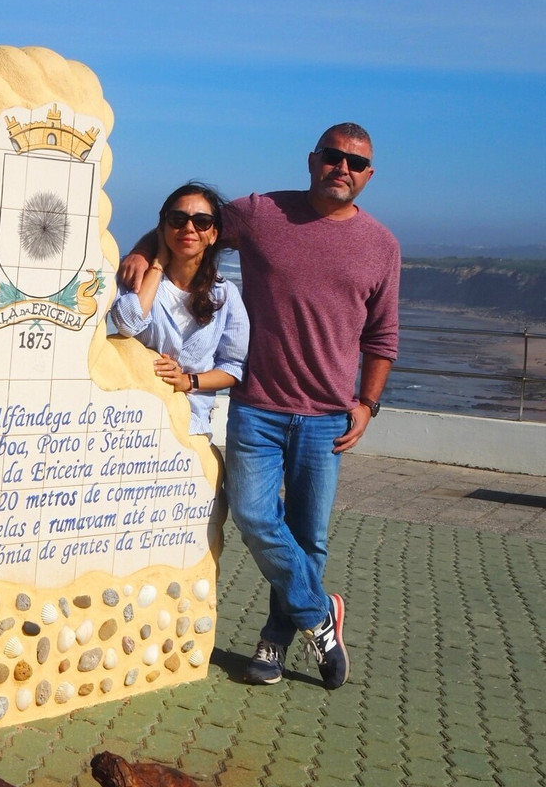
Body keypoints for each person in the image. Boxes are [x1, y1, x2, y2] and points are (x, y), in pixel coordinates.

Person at [119, 123, 400, 689]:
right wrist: (141, 250)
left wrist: (368, 401)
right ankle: (322, 614)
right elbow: (190, 223)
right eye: (332, 156)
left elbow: (382, 335)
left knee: (308, 536)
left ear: (369, 175)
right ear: (313, 159)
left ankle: (275, 639)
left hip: (327, 416)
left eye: (355, 162)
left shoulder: (382, 246)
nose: (341, 168)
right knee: (252, 516)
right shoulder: (264, 212)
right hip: (257, 407)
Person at [109, 182, 249, 438]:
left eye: (201, 221)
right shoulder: (136, 277)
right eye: (178, 219)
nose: (188, 228)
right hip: (129, 419)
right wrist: (158, 263)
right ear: (162, 228)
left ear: (214, 234)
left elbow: (232, 367)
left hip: (191, 425)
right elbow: (127, 324)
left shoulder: (225, 294)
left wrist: (188, 381)